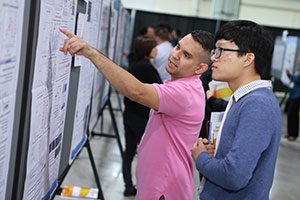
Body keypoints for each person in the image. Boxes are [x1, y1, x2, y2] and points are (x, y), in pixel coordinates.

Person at [59, 28, 214, 200]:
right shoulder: (186, 86)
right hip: (159, 187)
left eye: (186, 55)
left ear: (200, 68)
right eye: (178, 47)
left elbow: (136, 91)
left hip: (164, 190)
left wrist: (90, 53)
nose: (176, 54)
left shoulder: (184, 92)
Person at [191, 20, 281, 200]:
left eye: (221, 50)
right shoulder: (244, 98)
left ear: (248, 58)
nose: (214, 58)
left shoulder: (257, 104)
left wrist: (201, 158)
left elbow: (234, 176)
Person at [122, 36, 162, 196]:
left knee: (129, 151)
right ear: (147, 50)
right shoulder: (147, 68)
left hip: (130, 114)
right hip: (140, 117)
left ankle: (128, 186)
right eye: (154, 47)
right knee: (145, 154)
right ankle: (144, 189)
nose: (157, 49)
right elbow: (160, 89)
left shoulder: (136, 64)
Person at [285, 54, 300, 141]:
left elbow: (297, 80)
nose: (298, 59)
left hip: (297, 95)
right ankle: (290, 133)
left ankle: (293, 134)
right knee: (290, 114)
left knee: (293, 114)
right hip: (293, 93)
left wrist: (290, 75)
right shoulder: (298, 69)